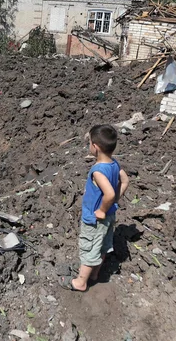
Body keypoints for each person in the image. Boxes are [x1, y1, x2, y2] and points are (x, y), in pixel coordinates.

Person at [61, 124, 130, 292]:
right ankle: (94, 274)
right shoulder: (114, 164)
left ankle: (81, 282)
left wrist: (102, 209)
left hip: (95, 219)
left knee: (89, 248)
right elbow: (125, 181)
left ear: (95, 147)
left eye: (89, 143)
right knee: (103, 246)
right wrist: (112, 204)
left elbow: (109, 194)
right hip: (108, 217)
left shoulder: (98, 171)